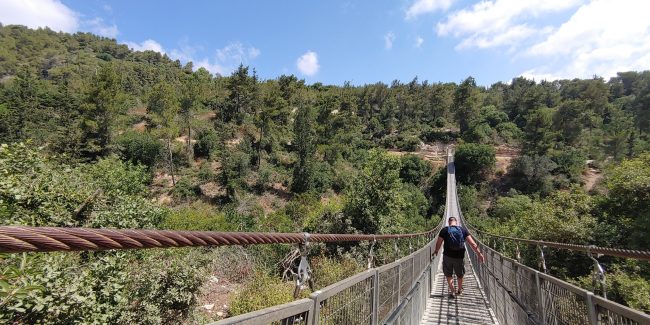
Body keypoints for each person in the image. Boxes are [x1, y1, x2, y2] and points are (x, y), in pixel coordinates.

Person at [432, 216, 484, 298]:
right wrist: (479, 253)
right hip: (459, 257)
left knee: (448, 274)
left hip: (447, 256)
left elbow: (439, 242)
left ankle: (452, 291)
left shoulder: (444, 230)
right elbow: (473, 244)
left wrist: (436, 250)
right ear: (457, 222)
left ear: (449, 222)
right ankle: (459, 290)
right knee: (460, 275)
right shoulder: (463, 230)